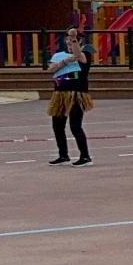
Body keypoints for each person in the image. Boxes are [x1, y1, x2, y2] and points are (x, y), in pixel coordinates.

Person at [46, 27, 96, 167]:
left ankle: (85, 156)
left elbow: (79, 56)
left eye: (73, 40)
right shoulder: (59, 55)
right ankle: (63, 155)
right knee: (57, 126)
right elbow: (51, 68)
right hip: (60, 94)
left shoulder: (85, 53)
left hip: (76, 93)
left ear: (79, 41)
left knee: (75, 126)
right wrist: (65, 62)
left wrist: (74, 40)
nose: (69, 42)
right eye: (67, 39)